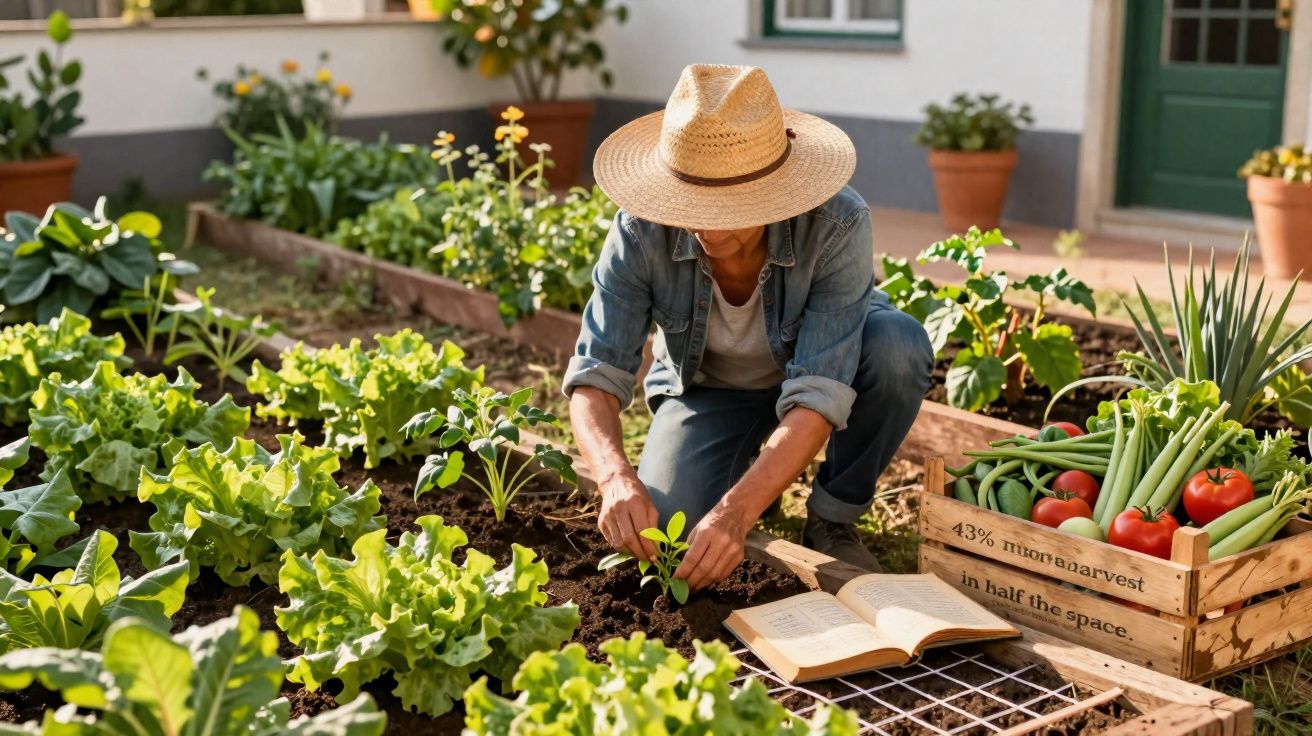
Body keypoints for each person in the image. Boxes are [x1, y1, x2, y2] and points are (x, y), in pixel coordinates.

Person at [564, 64, 933, 592]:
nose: (704, 226)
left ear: (774, 192)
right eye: (692, 202)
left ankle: (833, 516)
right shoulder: (640, 230)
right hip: (710, 388)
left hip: (819, 368)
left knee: (899, 346)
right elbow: (594, 375)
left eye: (728, 207)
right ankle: (755, 474)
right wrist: (613, 477)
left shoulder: (837, 222)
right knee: (672, 532)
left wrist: (736, 514)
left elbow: (821, 391)